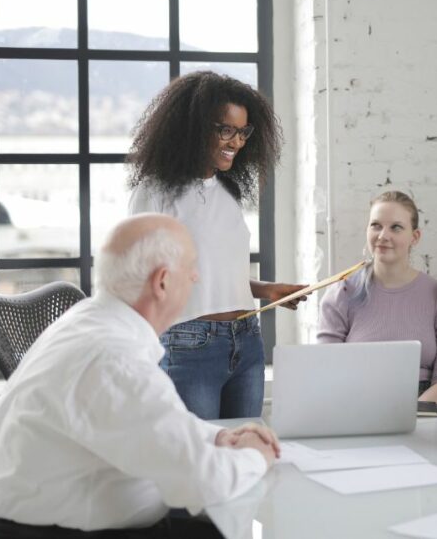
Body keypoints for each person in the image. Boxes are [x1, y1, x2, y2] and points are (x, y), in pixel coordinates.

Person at [0, 214, 280, 539]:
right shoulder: (114, 360)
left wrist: (217, 437)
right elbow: (205, 483)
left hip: (40, 521)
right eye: (191, 266)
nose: (195, 276)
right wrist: (256, 456)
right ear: (162, 282)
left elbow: (157, 424)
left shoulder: (87, 322)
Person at [127, 71, 306, 419]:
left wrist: (269, 290)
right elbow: (140, 279)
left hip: (247, 342)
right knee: (199, 463)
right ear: (192, 127)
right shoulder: (156, 191)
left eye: (243, 132)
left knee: (243, 459)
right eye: (225, 129)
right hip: (189, 345)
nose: (236, 142)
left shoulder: (227, 192)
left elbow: (215, 272)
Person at [317, 190, 437, 406]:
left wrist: (407, 417)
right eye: (376, 225)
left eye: (396, 227)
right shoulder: (341, 294)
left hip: (429, 410)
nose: (383, 236)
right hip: (357, 407)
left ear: (414, 237)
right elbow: (326, 375)